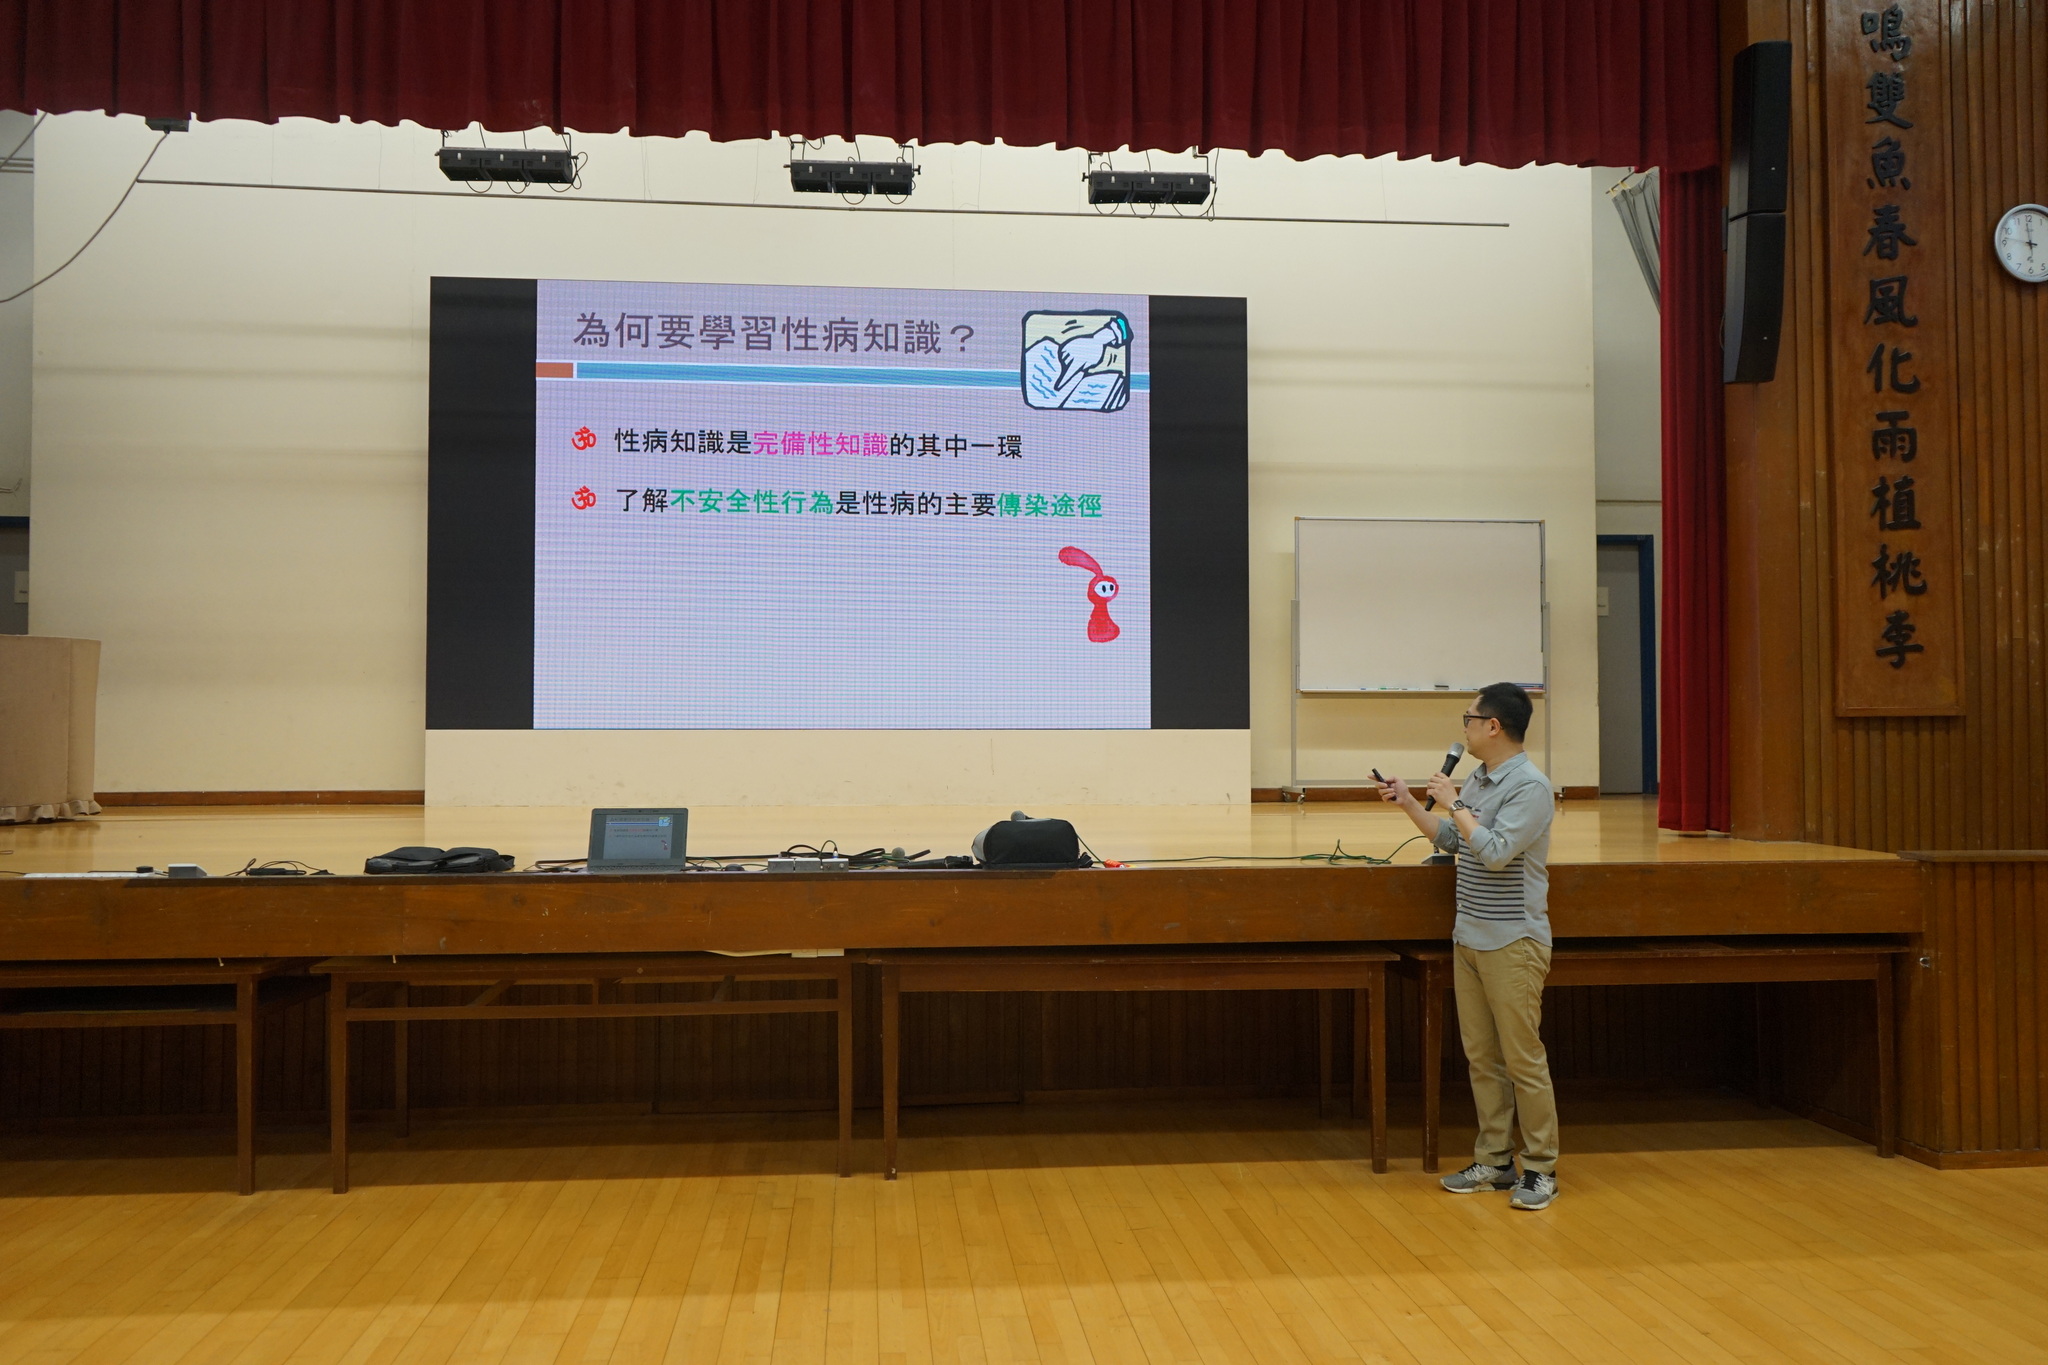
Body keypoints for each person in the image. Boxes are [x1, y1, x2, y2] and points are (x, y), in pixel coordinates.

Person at [1379, 682, 1559, 1211]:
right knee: (1482, 1058)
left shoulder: (1530, 787)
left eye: (1469, 718)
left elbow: (1497, 852)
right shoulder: (1479, 778)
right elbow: (1456, 840)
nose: (1464, 728)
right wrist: (1411, 804)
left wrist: (1454, 802)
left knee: (1522, 1058)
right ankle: (1496, 1161)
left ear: (1493, 726)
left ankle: (1541, 1168)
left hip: (1513, 940)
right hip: (1471, 936)